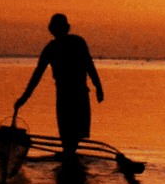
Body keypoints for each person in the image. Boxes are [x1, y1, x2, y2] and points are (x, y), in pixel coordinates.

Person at [14, 13, 103, 154]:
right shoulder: (54, 48)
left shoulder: (74, 43)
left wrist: (98, 87)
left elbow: (89, 65)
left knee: (70, 140)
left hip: (75, 96)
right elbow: (37, 75)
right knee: (71, 141)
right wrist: (24, 98)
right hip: (69, 97)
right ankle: (71, 165)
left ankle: (69, 161)